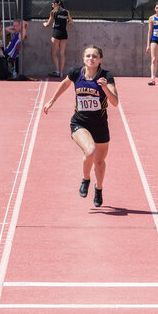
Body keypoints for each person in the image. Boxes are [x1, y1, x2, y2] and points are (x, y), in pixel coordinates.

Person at [42, 46, 119, 207]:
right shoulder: (76, 73)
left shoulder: (106, 76)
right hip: (80, 122)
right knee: (90, 150)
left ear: (100, 60)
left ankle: (98, 189)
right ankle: (86, 179)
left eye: (95, 56)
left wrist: (105, 88)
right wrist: (52, 100)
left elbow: (115, 102)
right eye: (88, 56)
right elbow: (64, 84)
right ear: (83, 58)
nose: (91, 58)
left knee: (99, 162)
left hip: (100, 124)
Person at [43, 0, 74, 78]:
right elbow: (71, 22)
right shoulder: (66, 12)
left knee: (54, 53)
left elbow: (47, 24)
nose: (52, 5)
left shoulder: (53, 12)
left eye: (53, 4)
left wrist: (44, 24)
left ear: (56, 4)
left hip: (56, 34)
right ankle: (61, 72)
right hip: (64, 34)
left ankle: (57, 71)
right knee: (62, 54)